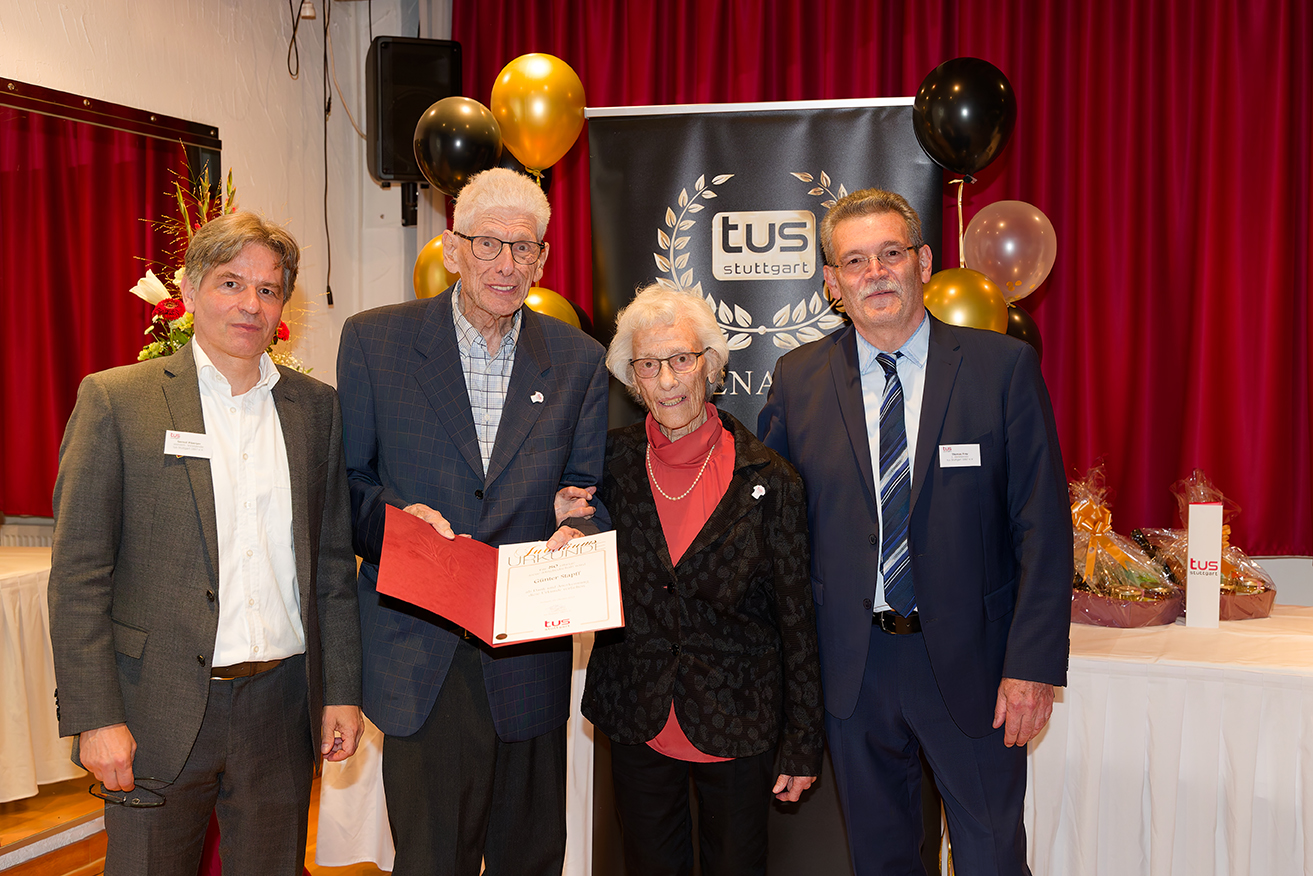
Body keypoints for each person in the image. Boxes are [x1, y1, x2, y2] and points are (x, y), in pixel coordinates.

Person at [757, 189, 1071, 876]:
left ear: (923, 262)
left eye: (890, 253)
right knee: (881, 861)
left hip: (977, 664)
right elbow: (769, 527)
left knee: (991, 857)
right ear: (832, 283)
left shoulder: (1000, 370)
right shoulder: (798, 379)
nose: (874, 272)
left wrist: (1032, 665)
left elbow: (1043, 528)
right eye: (854, 261)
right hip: (853, 668)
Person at [48, 211, 363, 876]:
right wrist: (95, 716)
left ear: (282, 306)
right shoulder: (117, 401)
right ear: (190, 291)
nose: (250, 304)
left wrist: (341, 690)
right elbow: (79, 574)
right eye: (230, 283)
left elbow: (332, 565)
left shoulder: (315, 409)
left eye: (268, 289)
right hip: (154, 707)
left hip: (280, 706)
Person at [336, 167, 609, 876]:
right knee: (431, 861)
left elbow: (593, 494)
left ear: (543, 259)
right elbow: (346, 487)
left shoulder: (578, 360)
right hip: (420, 649)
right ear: (454, 248)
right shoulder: (374, 342)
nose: (506, 264)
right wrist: (398, 521)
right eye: (488, 244)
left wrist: (578, 530)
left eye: (524, 248)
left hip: (527, 660)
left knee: (529, 859)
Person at [574, 285, 823, 876]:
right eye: (648, 365)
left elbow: (796, 620)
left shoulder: (772, 479)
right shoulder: (604, 466)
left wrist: (802, 741)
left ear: (710, 364)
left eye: (681, 359)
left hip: (737, 716)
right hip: (638, 713)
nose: (667, 381)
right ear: (632, 380)